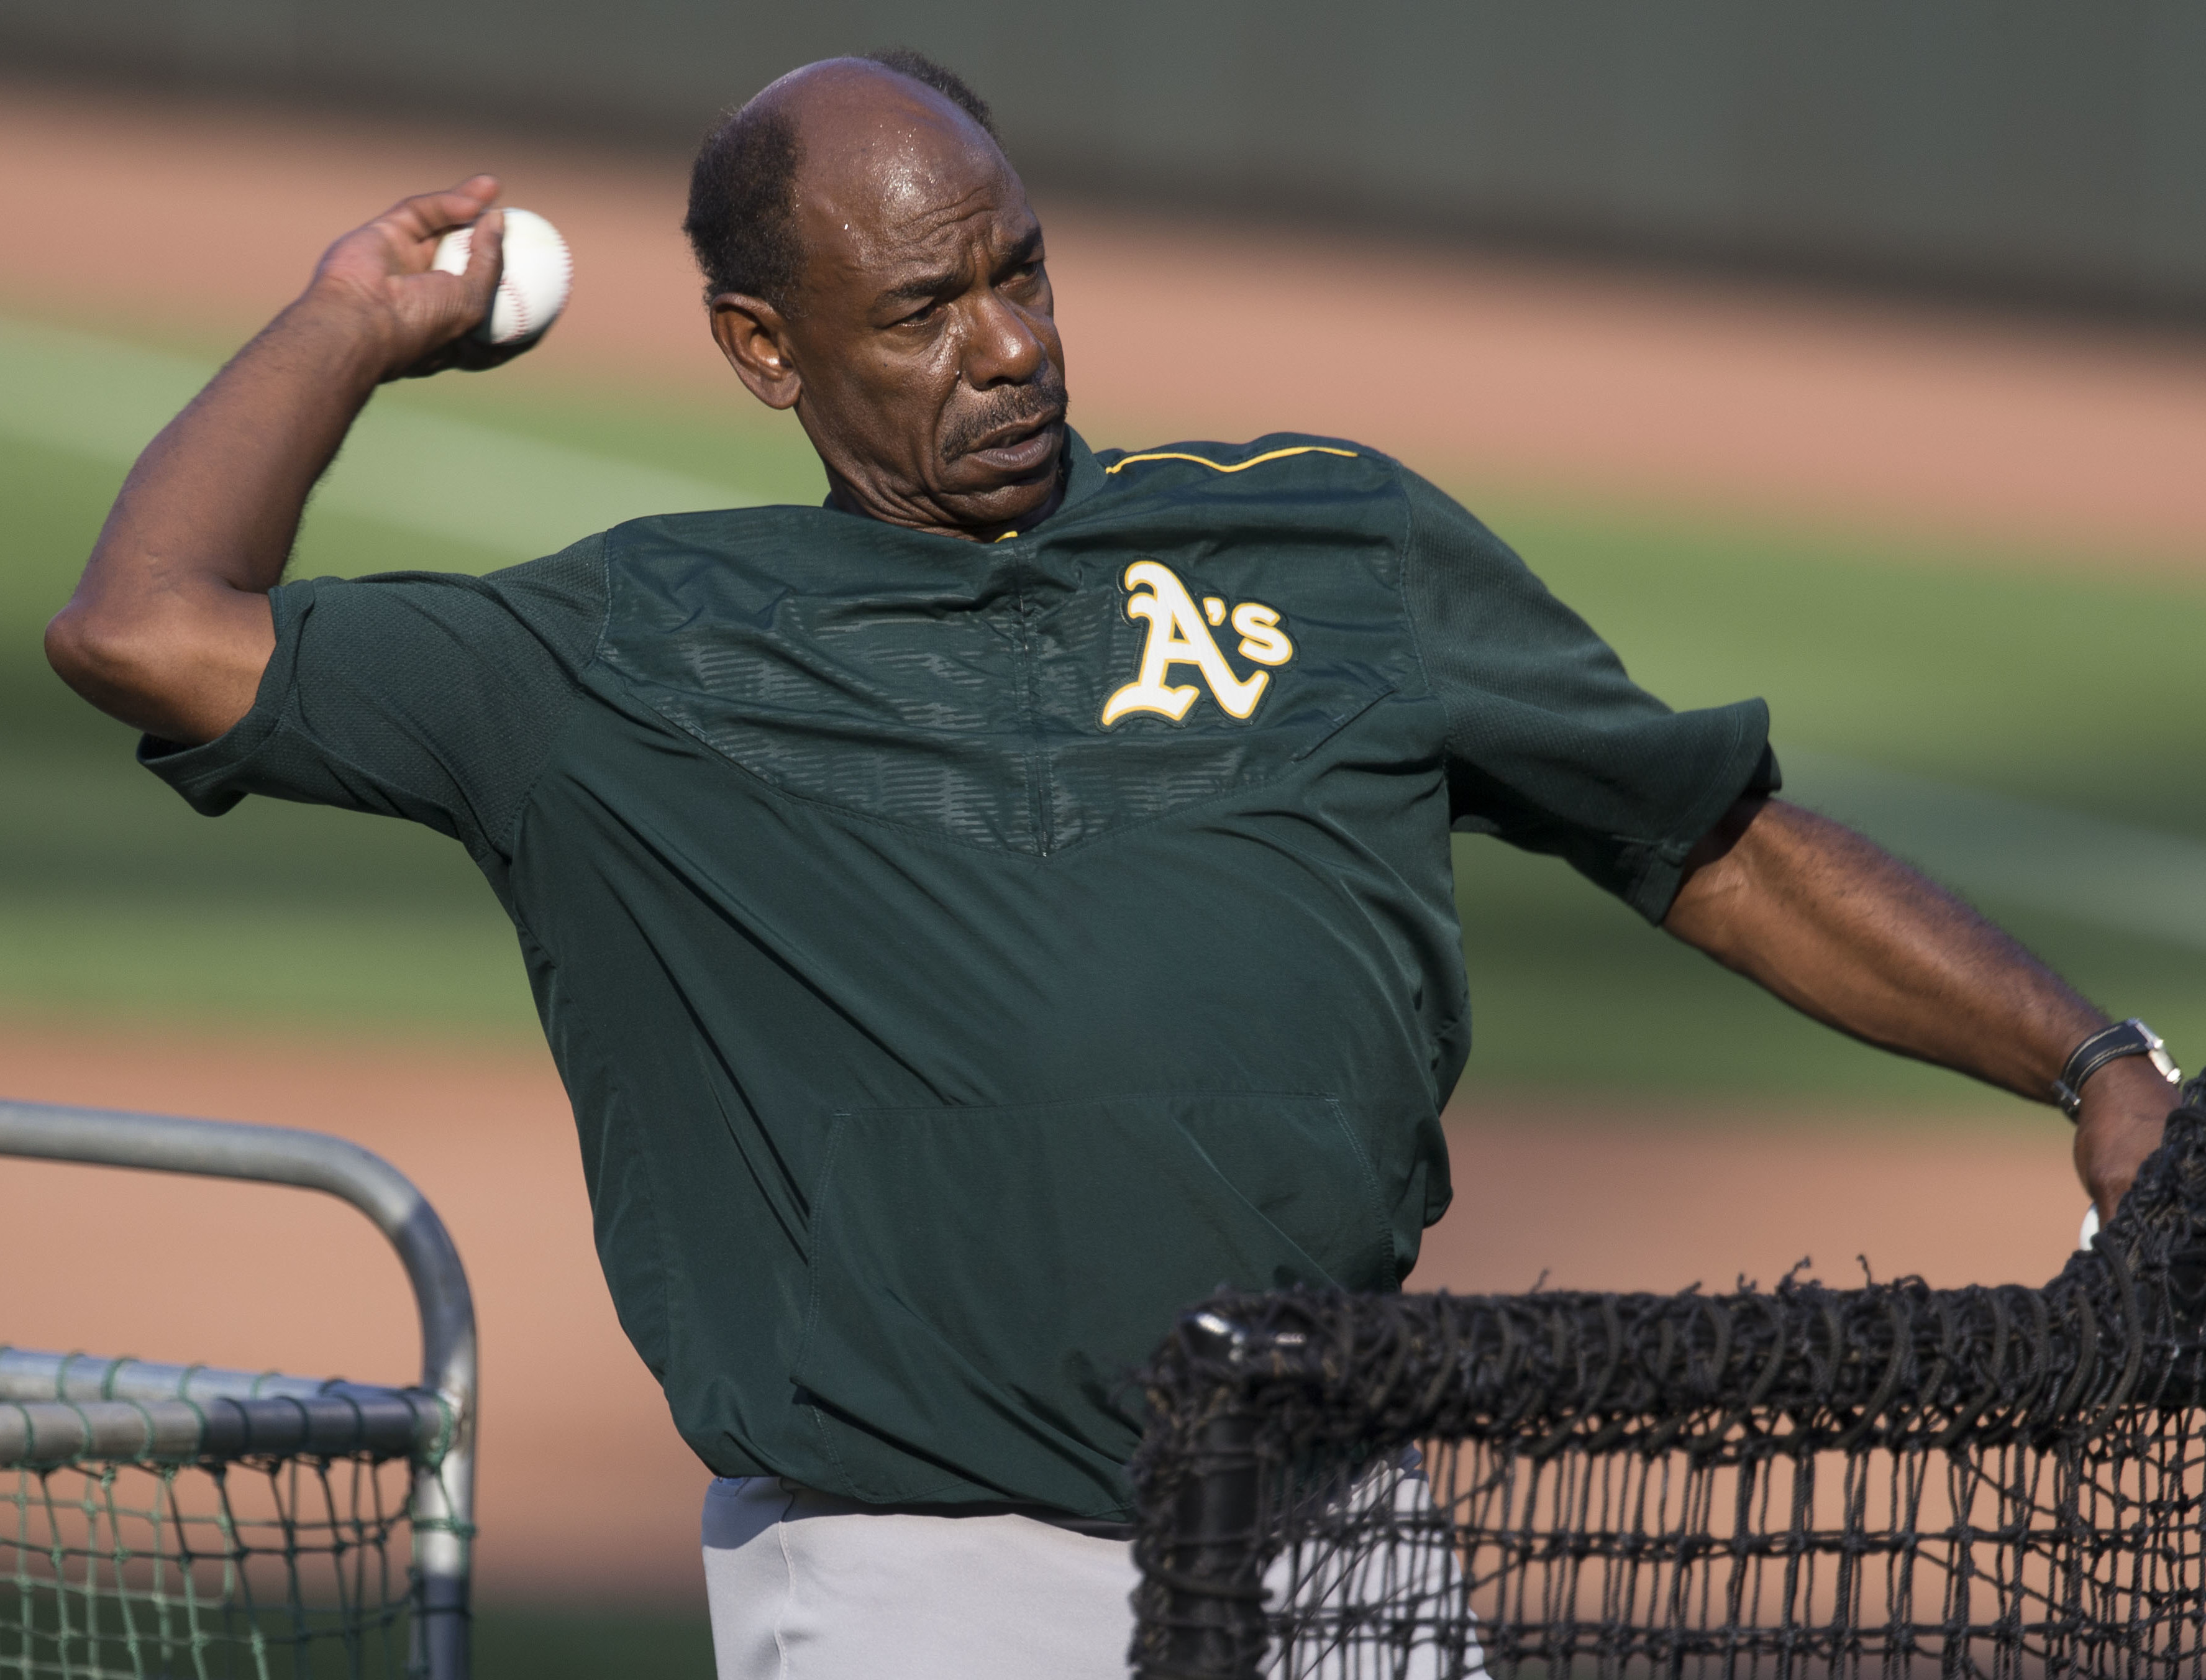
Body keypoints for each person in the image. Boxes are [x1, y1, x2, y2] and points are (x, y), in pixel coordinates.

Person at [43, 48, 2182, 1680]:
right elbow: (147, 628)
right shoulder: (624, 650)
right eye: (920, 311)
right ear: (765, 353)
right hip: (924, 1578)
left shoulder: (1333, 543)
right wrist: (347, 323)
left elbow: (1701, 837)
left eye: (1020, 269)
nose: (1008, 347)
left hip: (1346, 1517)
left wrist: (2088, 1062)